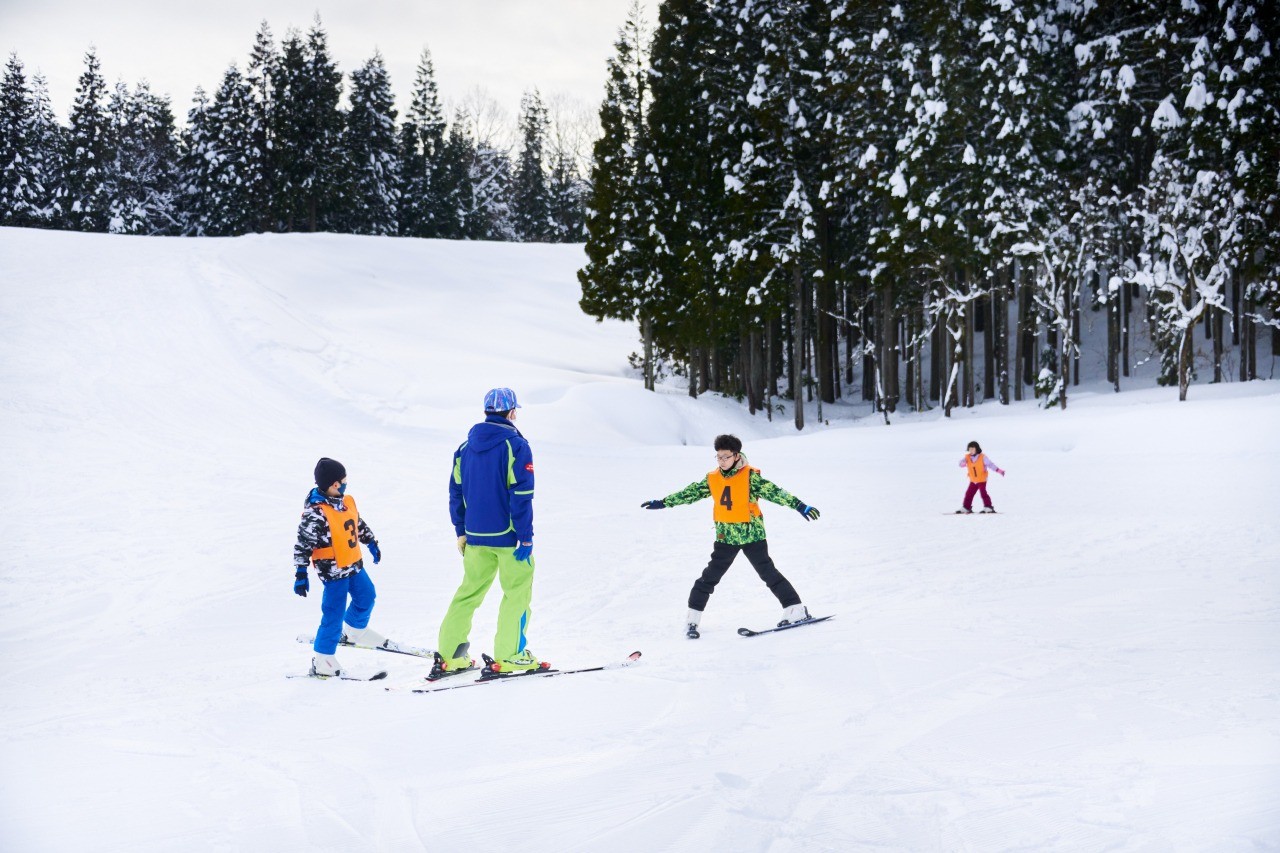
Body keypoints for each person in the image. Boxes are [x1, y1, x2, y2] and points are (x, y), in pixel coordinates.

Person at [640, 433, 820, 639]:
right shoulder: (712, 479)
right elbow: (689, 493)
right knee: (708, 578)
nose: (721, 461)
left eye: (726, 456)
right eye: (718, 457)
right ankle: (692, 619)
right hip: (726, 537)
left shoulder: (750, 476)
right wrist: (663, 502)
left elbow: (775, 492)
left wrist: (799, 505)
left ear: (736, 455)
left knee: (769, 574)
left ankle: (795, 610)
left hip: (752, 535)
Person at [435, 387, 545, 677]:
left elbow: (455, 492)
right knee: (516, 593)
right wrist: (525, 535)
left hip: (474, 536)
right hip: (509, 537)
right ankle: (510, 655)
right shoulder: (516, 446)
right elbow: (522, 493)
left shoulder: (464, 448)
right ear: (511, 413)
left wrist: (460, 530)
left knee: (468, 592)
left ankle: (450, 655)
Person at [293, 457, 387, 677]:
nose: (346, 485)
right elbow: (303, 544)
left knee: (367, 596)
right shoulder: (315, 513)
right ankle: (323, 659)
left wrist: (371, 541)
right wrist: (300, 572)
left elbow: (357, 524)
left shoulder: (346, 503)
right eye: (343, 481)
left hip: (353, 564)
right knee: (333, 613)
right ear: (334, 484)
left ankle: (354, 631)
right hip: (333, 572)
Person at [957, 441, 1006, 514]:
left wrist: (999, 470)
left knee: (983, 493)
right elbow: (961, 464)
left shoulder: (982, 457)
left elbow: (991, 465)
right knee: (969, 493)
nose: (971, 451)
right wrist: (963, 462)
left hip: (982, 479)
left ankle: (988, 507)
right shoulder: (967, 457)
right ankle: (966, 507)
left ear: (976, 449)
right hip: (973, 480)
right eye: (970, 449)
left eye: (973, 449)